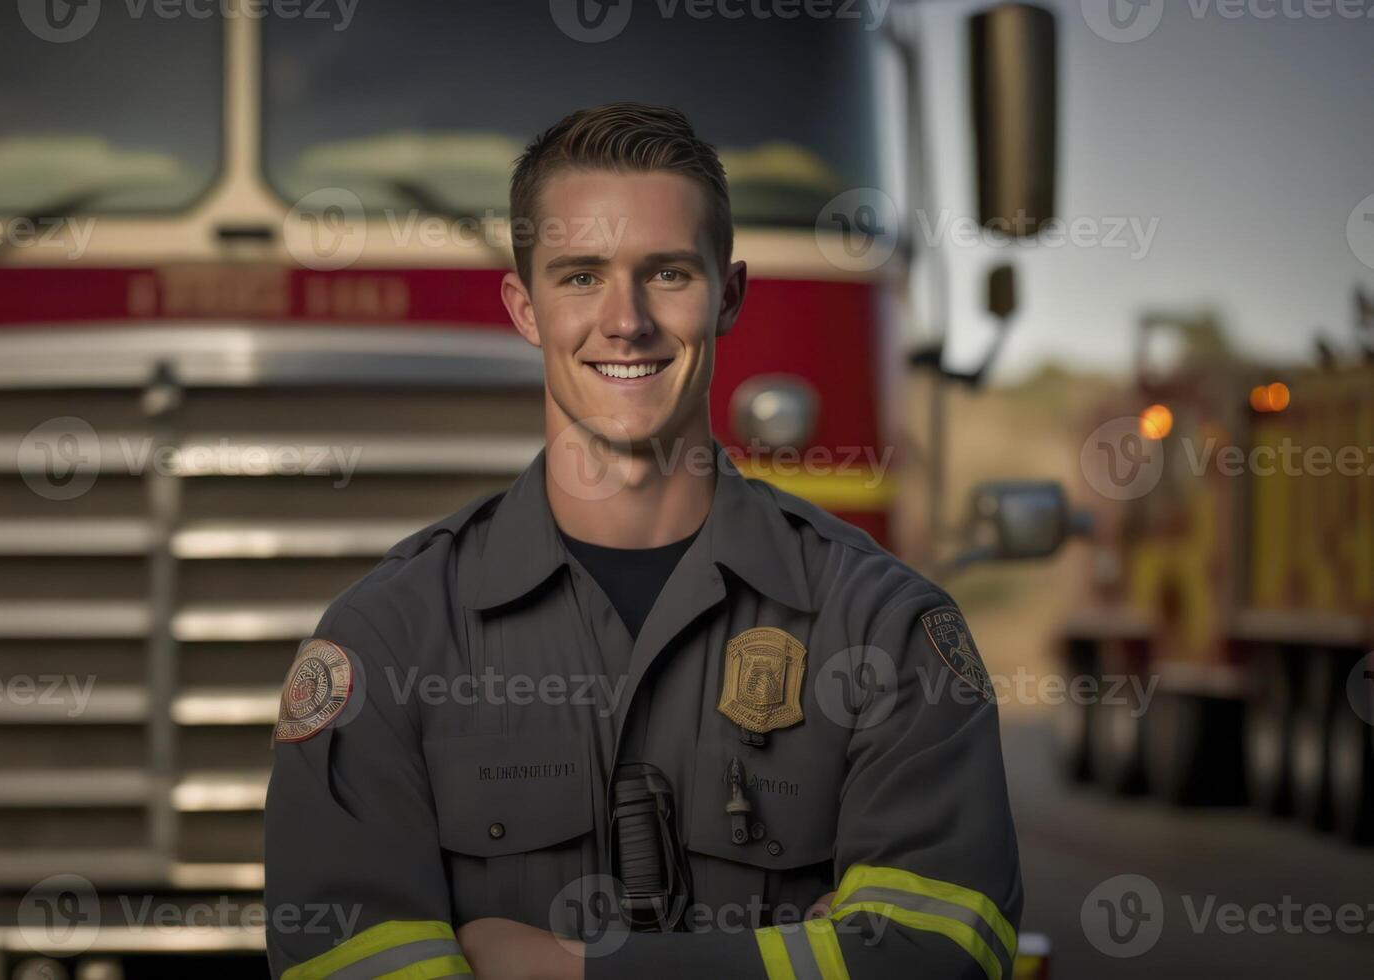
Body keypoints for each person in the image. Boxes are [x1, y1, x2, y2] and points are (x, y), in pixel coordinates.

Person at [264, 102, 1020, 980]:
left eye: (666, 274)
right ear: (524, 306)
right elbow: (340, 959)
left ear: (727, 294)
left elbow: (943, 956)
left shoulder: (888, 630)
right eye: (580, 276)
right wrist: (802, 957)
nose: (625, 321)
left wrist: (562, 968)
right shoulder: (386, 638)